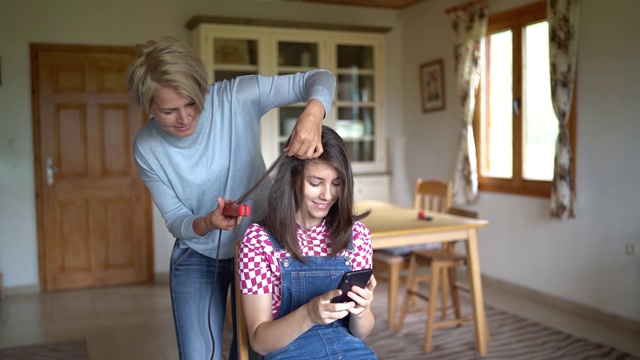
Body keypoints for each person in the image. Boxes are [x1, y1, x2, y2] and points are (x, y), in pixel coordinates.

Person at [125, 36, 336, 360]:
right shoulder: (147, 146)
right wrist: (206, 222)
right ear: (148, 106)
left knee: (255, 351)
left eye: (192, 103)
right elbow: (175, 219)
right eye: (168, 111)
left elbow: (319, 78)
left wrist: (313, 112)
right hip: (196, 256)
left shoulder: (237, 96)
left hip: (260, 249)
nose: (183, 118)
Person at [238, 126, 378, 359]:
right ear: (294, 179)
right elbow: (260, 342)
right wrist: (309, 314)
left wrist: (362, 311)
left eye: (336, 183)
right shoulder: (259, 241)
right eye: (315, 183)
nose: (327, 195)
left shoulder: (358, 236)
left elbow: (361, 334)